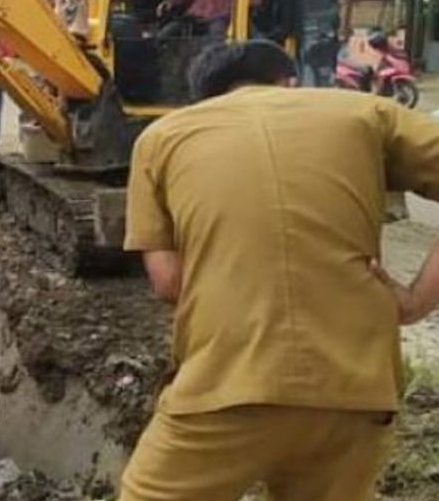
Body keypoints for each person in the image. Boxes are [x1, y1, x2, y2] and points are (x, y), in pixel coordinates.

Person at [121, 40, 439, 501]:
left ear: (206, 98)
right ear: (288, 81)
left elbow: (170, 283)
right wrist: (416, 301)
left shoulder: (163, 137)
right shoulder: (364, 113)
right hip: (357, 391)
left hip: (226, 386)